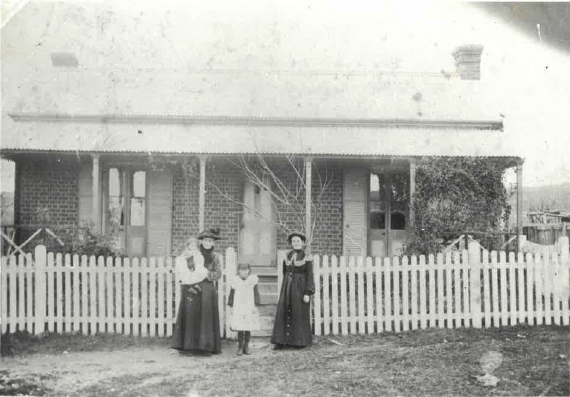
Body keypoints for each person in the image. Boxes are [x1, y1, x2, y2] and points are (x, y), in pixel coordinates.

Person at [171, 228, 223, 355]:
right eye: (206, 240)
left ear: (213, 243)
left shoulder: (215, 257)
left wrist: (206, 275)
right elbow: (184, 267)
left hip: (208, 289)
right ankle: (190, 347)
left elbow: (218, 273)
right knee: (191, 316)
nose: (208, 243)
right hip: (192, 287)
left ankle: (206, 347)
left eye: (210, 241)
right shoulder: (193, 252)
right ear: (201, 241)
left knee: (206, 317)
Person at [271, 231, 315, 349]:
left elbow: (310, 275)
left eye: (298, 241)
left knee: (298, 312)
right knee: (284, 312)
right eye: (294, 241)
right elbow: (285, 272)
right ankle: (281, 341)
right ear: (291, 243)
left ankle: (299, 342)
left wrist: (308, 292)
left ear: (302, 243)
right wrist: (287, 285)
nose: (296, 243)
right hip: (287, 287)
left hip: (300, 288)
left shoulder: (306, 256)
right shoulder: (288, 255)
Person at [227, 262, 261, 355]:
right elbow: (232, 294)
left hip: (249, 306)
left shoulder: (252, 281)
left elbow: (256, 293)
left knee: (248, 327)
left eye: (246, 270)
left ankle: (246, 346)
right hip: (239, 306)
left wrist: (256, 305)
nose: (244, 272)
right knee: (240, 327)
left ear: (249, 270)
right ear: (238, 271)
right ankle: (240, 347)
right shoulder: (235, 281)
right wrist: (231, 306)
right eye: (242, 270)